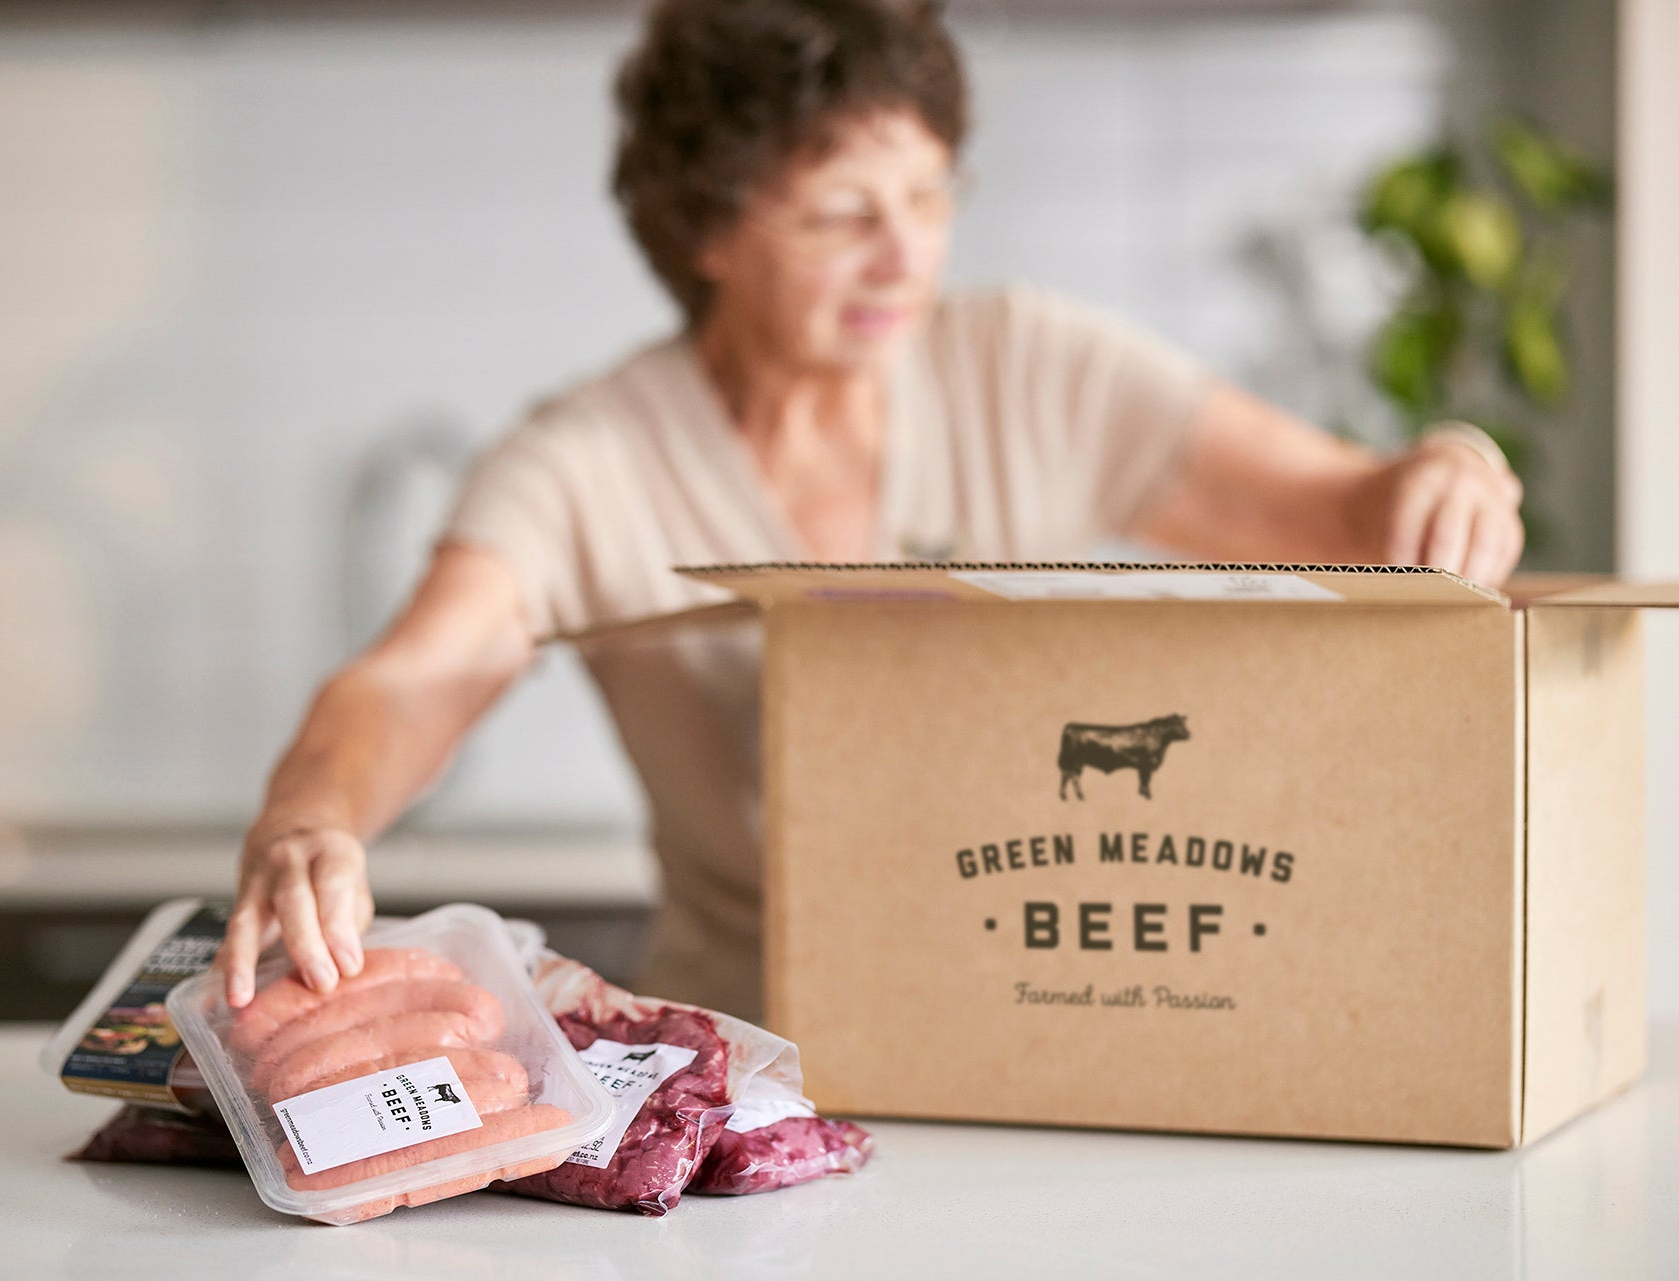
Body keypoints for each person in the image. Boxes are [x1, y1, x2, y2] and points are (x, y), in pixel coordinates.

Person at [220, 0, 1522, 1021]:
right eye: (841, 213)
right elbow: (411, 681)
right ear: (709, 231)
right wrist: (311, 820)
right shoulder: (588, 460)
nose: (905, 254)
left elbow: (1348, 508)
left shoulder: (1040, 368)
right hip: (741, 1078)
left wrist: (1447, 465)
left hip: (1044, 1036)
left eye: (928, 196)